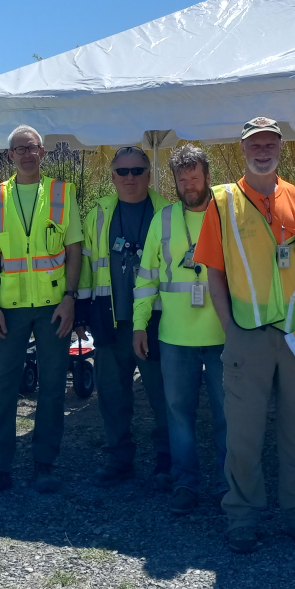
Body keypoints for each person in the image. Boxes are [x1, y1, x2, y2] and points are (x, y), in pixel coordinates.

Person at [194, 117, 295, 554]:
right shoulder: (222, 202)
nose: (263, 149)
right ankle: (242, 517)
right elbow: (213, 272)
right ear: (242, 149)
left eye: (270, 142)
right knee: (244, 436)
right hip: (248, 338)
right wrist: (230, 330)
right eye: (254, 143)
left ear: (280, 148)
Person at [0, 125, 83, 498]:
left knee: (52, 386)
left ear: (43, 152)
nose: (27, 154)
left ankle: (44, 464)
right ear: (10, 155)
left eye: (33, 148)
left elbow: (74, 251)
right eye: (20, 149)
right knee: (2, 387)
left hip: (53, 305)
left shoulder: (62, 193)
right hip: (11, 308)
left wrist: (70, 297)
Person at [133, 144, 226, 515]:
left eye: (195, 176)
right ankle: (185, 483)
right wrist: (140, 324)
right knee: (178, 416)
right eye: (182, 178)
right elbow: (146, 277)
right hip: (174, 338)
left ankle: (228, 486)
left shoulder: (227, 214)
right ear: (174, 181)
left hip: (223, 336)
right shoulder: (164, 219)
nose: (189, 184)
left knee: (227, 416)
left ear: (207, 176)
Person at [78, 147, 173, 487]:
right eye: (122, 171)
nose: (130, 177)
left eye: (137, 170)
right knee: (113, 396)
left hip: (155, 321)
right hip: (110, 320)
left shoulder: (168, 212)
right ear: (112, 177)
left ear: (149, 174)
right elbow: (88, 265)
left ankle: (167, 459)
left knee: (162, 395)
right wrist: (83, 312)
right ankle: (119, 458)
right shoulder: (99, 213)